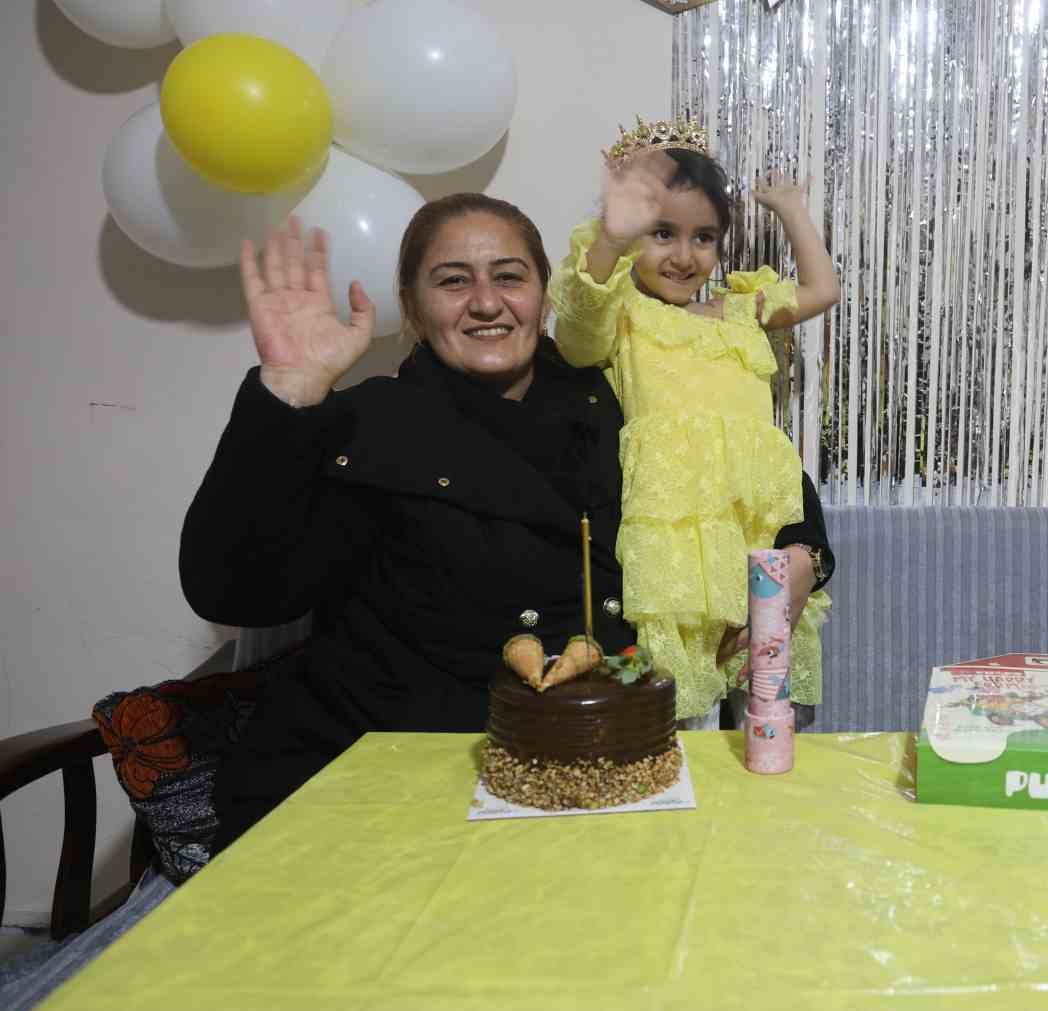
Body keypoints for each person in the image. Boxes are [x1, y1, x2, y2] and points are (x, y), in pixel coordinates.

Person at [182, 193, 835, 852]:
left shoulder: (622, 392)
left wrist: (801, 548)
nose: (487, 302)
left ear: (545, 296)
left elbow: (743, 458)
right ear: (410, 307)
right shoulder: (365, 420)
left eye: (509, 276)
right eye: (453, 280)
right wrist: (288, 391)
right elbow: (237, 590)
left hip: (590, 775)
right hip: (388, 783)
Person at [549, 117, 841, 727]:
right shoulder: (624, 315)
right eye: (662, 233)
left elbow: (821, 290)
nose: (684, 256)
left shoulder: (741, 309)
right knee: (681, 717)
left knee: (768, 711)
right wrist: (609, 235)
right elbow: (574, 333)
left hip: (756, 531)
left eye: (703, 237)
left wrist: (791, 209)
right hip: (674, 542)